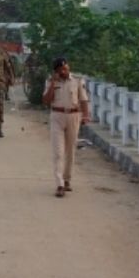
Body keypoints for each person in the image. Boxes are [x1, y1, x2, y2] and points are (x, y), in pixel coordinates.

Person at [41, 57, 90, 198]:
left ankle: (67, 179)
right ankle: (59, 184)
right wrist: (52, 84)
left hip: (74, 116)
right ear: (56, 71)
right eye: (60, 69)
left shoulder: (77, 81)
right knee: (58, 152)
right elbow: (45, 101)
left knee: (70, 150)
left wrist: (86, 115)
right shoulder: (51, 81)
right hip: (57, 115)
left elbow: (84, 99)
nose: (64, 71)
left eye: (65, 68)